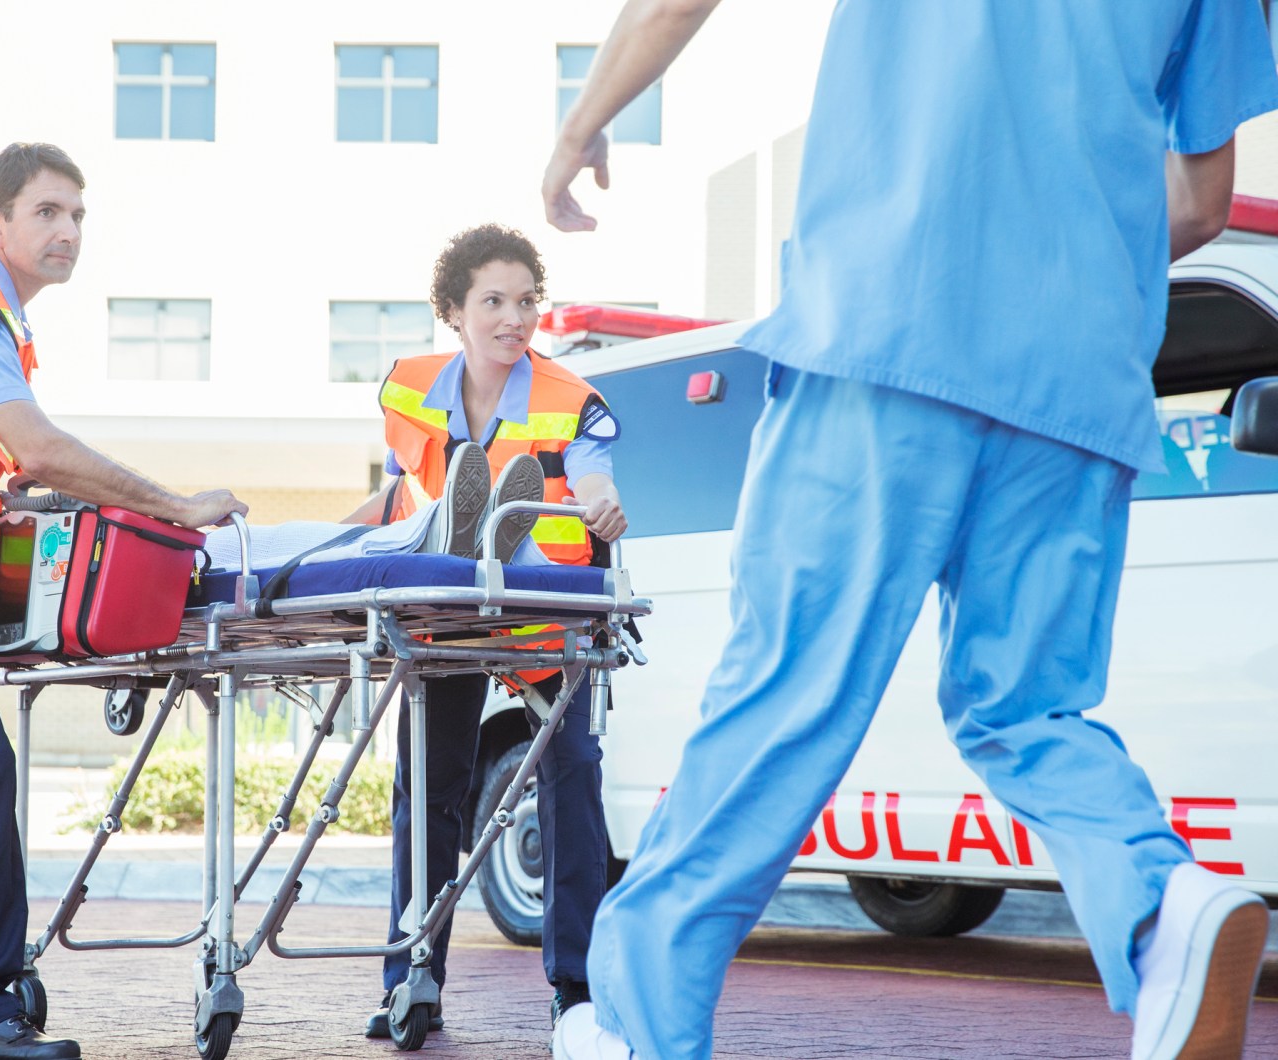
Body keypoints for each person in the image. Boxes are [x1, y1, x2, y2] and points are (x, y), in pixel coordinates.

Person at [540, 3, 1278, 1059]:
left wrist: (582, 126)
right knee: (1027, 707)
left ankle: (634, 1023)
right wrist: (1065, 240)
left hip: (890, 324)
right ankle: (1163, 910)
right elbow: (1204, 203)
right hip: (1079, 369)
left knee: (789, 693)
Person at [0, 142, 247, 1060]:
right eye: (48, 213)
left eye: (78, 217)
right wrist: (177, 505)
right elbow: (42, 448)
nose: (67, 232)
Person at [343, 223, 627, 1037]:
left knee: (572, 769)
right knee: (429, 790)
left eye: (527, 301)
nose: (515, 317)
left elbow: (597, 471)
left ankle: (575, 986)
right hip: (442, 615)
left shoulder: (575, 402)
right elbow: (395, 497)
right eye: (494, 301)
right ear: (453, 312)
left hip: (544, 614)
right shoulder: (408, 390)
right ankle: (412, 978)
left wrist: (601, 499)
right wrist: (330, 547)